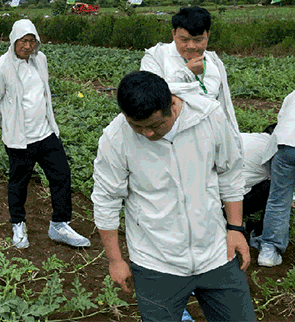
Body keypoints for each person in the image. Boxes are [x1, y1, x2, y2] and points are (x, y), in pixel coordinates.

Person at [92, 71, 254, 322]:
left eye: (155, 125)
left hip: (215, 253)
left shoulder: (208, 117)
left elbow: (230, 172)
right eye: (137, 126)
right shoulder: (116, 138)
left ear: (173, 105)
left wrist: (235, 228)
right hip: (156, 263)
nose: (147, 133)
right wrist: (115, 260)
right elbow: (106, 199)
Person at [0, 19, 90, 249]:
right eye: (23, 41)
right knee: (19, 183)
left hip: (45, 133)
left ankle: (59, 224)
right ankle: (18, 224)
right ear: (14, 40)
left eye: (32, 41)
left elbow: (43, 93)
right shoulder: (1, 67)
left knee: (61, 175)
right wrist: (10, 125)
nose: (28, 46)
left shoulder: (40, 60)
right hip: (20, 139)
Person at [140, 6, 240, 143]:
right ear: (174, 34)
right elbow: (150, 95)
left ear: (208, 35)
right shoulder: (156, 57)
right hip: (171, 140)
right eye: (184, 40)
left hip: (209, 137)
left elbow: (225, 106)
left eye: (198, 40)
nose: (191, 46)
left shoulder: (214, 62)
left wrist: (232, 139)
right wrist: (186, 73)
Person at [257, 89, 295, 267]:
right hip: (288, 142)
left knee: (279, 199)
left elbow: (281, 121)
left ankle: (268, 251)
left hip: (286, 145)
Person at [240, 124, 277, 240]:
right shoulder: (274, 152)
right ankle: (262, 233)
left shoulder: (244, 137)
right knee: (274, 190)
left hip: (199, 194)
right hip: (224, 202)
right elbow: (281, 186)